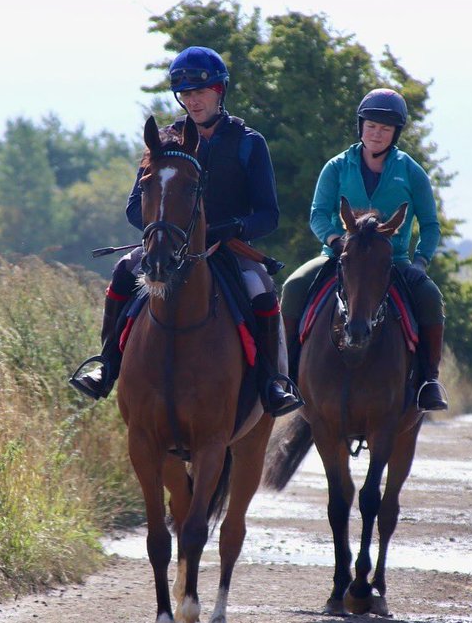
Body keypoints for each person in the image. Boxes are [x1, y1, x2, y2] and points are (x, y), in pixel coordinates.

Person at [69, 46, 303, 416]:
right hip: (169, 245)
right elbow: (135, 206)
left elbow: (268, 214)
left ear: (219, 91)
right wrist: (164, 230)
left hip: (228, 247)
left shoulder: (248, 143)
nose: (193, 102)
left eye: (200, 93)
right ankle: (107, 365)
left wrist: (234, 227)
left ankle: (271, 383)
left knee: (261, 289)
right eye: (186, 95)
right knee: (123, 271)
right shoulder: (164, 141)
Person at [279, 88, 449, 411]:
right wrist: (335, 241)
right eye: (371, 126)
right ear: (361, 127)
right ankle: (287, 374)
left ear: (395, 133)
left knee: (430, 297)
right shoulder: (336, 167)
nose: (377, 134)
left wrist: (421, 261)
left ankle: (429, 379)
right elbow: (317, 214)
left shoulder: (412, 172)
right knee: (293, 286)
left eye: (385, 129)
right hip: (341, 256)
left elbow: (430, 225)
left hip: (394, 261)